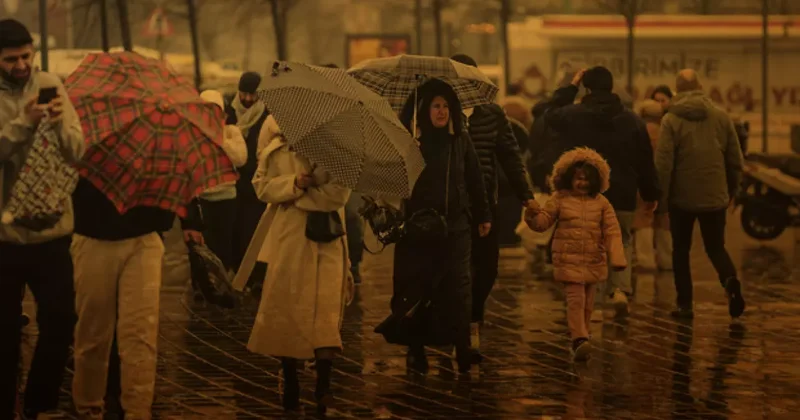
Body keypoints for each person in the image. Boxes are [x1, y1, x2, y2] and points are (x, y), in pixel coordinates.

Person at [235, 118, 353, 415]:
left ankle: (323, 384)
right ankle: (290, 381)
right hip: (289, 240)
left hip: (327, 238)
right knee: (288, 311)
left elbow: (338, 195)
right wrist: (294, 184)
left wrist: (303, 196)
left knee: (325, 310)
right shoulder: (275, 151)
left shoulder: (335, 151)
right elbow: (261, 187)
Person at [0, 19, 85, 420]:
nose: (21, 65)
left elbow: (77, 149)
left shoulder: (50, 82)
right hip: (4, 235)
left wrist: (55, 122)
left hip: (53, 230)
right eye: (11, 59)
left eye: (26, 56)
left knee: (61, 319)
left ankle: (39, 402)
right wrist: (24, 123)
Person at [380, 78, 491, 374]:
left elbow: (474, 177)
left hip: (455, 225)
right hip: (417, 227)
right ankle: (416, 349)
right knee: (418, 287)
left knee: (459, 287)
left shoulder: (460, 139)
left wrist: (483, 215)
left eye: (445, 106)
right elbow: (391, 181)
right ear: (423, 110)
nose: (441, 112)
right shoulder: (408, 140)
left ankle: (463, 347)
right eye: (435, 106)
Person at [70, 178, 204, 419]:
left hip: (145, 236)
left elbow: (177, 171)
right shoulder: (87, 140)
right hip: (93, 234)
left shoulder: (160, 140)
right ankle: (88, 406)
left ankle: (138, 410)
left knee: (141, 331)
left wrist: (190, 219)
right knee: (93, 333)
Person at [543, 66, 660, 319]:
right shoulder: (632, 121)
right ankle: (619, 290)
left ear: (586, 88)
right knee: (622, 240)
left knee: (587, 244)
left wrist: (570, 87)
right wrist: (651, 194)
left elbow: (548, 114)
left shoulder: (572, 115)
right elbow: (645, 162)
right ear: (611, 86)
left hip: (584, 193)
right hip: (623, 194)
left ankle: (588, 302)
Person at [450, 54, 535, 361]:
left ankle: (472, 314)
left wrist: (527, 195)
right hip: (451, 206)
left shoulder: (492, 114)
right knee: (455, 269)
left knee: (487, 269)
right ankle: (464, 326)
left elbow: (511, 156)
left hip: (486, 204)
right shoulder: (439, 112)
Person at [654, 69, 745, 320]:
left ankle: (685, 305)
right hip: (714, 195)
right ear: (701, 86)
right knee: (716, 247)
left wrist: (661, 200)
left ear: (677, 90)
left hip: (681, 199)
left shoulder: (670, 120)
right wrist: (731, 190)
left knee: (680, 250)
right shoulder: (721, 117)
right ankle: (729, 281)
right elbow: (735, 160)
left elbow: (664, 164)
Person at [524, 147, 626, 361]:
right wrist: (532, 217)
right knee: (576, 300)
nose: (582, 184)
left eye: (587, 180)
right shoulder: (559, 199)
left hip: (593, 260)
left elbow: (612, 231)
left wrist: (617, 258)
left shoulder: (601, 203)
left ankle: (582, 337)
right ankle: (579, 337)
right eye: (578, 179)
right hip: (568, 260)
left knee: (589, 303)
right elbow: (543, 223)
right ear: (567, 178)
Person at [321, 63, 364, 284]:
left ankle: (353, 264)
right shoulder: (313, 108)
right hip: (322, 175)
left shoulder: (351, 108)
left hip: (349, 173)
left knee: (352, 218)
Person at [227, 72, 269, 285]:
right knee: (235, 229)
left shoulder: (267, 115)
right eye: (244, 94)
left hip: (256, 184)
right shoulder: (229, 112)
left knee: (253, 230)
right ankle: (237, 271)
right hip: (232, 183)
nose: (248, 99)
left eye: (253, 95)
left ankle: (255, 277)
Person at [198, 89, 247, 272]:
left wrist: (221, 139)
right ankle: (203, 286)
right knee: (204, 247)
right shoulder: (195, 133)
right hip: (203, 198)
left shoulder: (231, 131)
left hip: (227, 198)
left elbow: (241, 159)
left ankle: (225, 283)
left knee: (225, 244)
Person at [633, 99, 672, 271]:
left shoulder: (639, 131)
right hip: (665, 181)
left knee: (643, 219)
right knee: (664, 219)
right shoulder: (667, 132)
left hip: (644, 181)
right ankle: (667, 260)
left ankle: (646, 260)